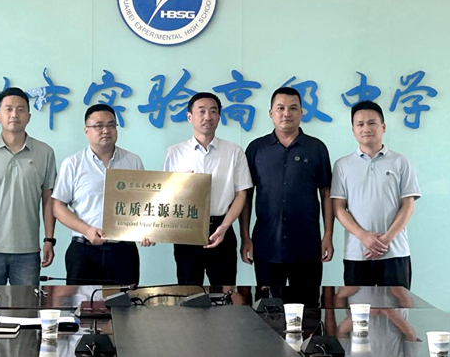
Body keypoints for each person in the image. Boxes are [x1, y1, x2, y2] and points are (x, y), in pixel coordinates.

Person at [241, 87, 333, 291]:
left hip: (307, 245)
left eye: (293, 108)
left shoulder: (316, 148)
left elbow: (326, 194)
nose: (286, 113)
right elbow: (246, 196)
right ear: (271, 112)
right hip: (266, 245)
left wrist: (328, 235)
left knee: (308, 306)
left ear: (301, 112)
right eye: (280, 108)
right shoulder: (256, 149)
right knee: (269, 307)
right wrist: (245, 237)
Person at [52, 104, 153, 285]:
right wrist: (86, 230)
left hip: (123, 251)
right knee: (82, 302)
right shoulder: (73, 164)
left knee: (125, 301)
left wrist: (148, 229)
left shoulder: (133, 161)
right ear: (86, 131)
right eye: (98, 126)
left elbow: (144, 203)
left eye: (111, 125)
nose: (106, 130)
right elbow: (58, 207)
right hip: (84, 251)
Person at [0, 87, 57, 286]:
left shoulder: (45, 152)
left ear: (29, 117)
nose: (14, 114)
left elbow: (48, 199)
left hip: (28, 251)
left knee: (26, 305)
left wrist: (49, 240)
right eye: (8, 109)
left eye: (21, 110)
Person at [162, 92, 252, 285]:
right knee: (188, 291)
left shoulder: (233, 151)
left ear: (219, 117)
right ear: (189, 116)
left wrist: (224, 227)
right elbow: (167, 195)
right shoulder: (175, 153)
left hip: (222, 227)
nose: (207, 117)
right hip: (186, 230)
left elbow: (241, 194)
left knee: (225, 292)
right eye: (201, 111)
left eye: (213, 111)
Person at [331, 100, 421, 289]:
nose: (366, 128)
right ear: (353, 130)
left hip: (395, 252)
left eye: (372, 123)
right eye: (360, 124)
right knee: (359, 307)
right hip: (357, 253)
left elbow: (408, 205)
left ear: (383, 127)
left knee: (397, 306)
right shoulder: (342, 165)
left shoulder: (401, 162)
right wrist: (364, 237)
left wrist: (386, 239)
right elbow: (338, 208)